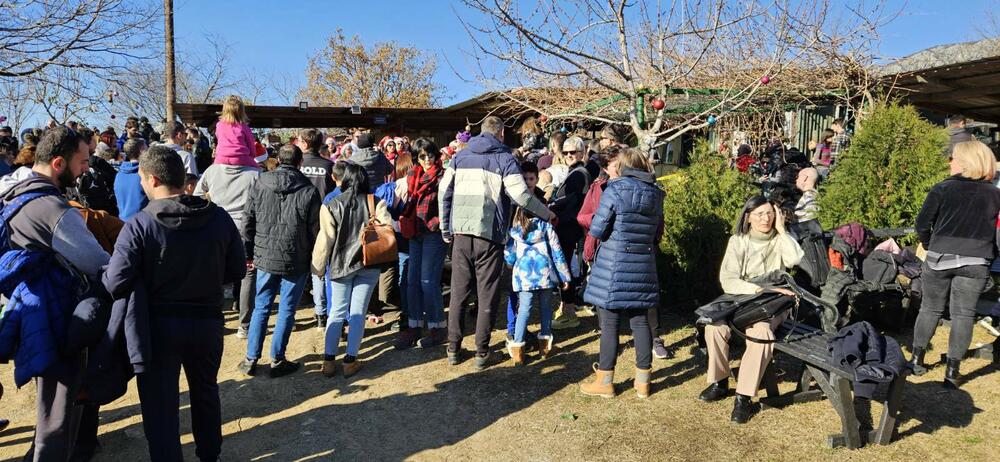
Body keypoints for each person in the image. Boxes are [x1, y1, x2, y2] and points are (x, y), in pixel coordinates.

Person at [100, 145, 243, 462]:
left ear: (151, 179)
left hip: (157, 327)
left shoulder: (139, 225)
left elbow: (115, 281)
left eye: (140, 179)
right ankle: (210, 455)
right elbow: (236, 269)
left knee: (159, 404)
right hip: (207, 322)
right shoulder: (218, 218)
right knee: (205, 392)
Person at [0, 126, 111, 460]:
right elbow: (97, 262)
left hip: (28, 312)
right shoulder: (52, 209)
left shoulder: (13, 192)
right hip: (57, 317)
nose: (86, 168)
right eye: (82, 160)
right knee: (57, 415)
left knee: (49, 408)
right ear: (59, 163)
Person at [439, 116, 555, 370]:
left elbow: (444, 191)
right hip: (489, 235)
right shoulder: (505, 158)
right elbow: (521, 195)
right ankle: (482, 351)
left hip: (460, 234)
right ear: (501, 133)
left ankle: (453, 348)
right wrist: (547, 213)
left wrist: (446, 227)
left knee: (459, 292)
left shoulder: (460, 156)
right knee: (487, 294)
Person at [699, 195, 803, 423]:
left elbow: (795, 259)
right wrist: (758, 289)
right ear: (748, 217)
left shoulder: (780, 239)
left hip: (773, 304)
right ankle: (719, 381)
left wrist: (782, 230)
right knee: (714, 328)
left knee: (761, 334)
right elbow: (728, 280)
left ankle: (743, 397)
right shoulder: (738, 241)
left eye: (769, 213)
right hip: (741, 299)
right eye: (760, 214)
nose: (766, 218)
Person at [910, 140, 1000, 388]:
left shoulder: (942, 189)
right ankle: (952, 372)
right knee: (963, 315)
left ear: (964, 161)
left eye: (953, 157)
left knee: (930, 309)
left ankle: (916, 361)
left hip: (940, 257)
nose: (950, 161)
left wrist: (930, 245)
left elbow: (921, 224)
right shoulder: (995, 194)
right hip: (977, 259)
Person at [578, 148, 664, 399]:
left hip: (613, 264)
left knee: (610, 324)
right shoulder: (657, 194)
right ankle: (643, 382)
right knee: (640, 322)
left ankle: (605, 380)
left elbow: (598, 227)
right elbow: (658, 230)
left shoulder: (614, 189)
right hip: (643, 263)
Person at [239, 144, 321, 378]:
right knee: (286, 309)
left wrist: (248, 252)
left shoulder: (260, 182)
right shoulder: (308, 190)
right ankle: (277, 359)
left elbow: (247, 221)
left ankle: (250, 358)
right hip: (295, 257)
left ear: (277, 159)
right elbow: (315, 229)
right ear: (299, 163)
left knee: (262, 307)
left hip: (265, 255)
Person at [311, 163, 391, 377]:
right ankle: (350, 360)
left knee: (336, 312)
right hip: (368, 263)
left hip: (340, 265)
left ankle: (328, 360)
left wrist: (317, 267)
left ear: (344, 180)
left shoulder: (331, 205)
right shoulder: (376, 202)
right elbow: (388, 229)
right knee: (358, 312)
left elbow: (324, 241)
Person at [195, 141, 262, 338]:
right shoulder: (255, 173)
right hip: (246, 228)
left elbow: (198, 196)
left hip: (216, 227)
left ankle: (214, 319)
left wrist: (212, 207)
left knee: (215, 274)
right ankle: (245, 325)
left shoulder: (211, 170)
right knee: (248, 274)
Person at [504, 177, 571, 366]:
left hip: (524, 276)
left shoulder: (515, 230)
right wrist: (564, 276)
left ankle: (518, 348)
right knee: (545, 308)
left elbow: (509, 254)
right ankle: (545, 346)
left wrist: (510, 265)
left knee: (524, 309)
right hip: (544, 274)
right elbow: (557, 252)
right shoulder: (546, 227)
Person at [394, 139, 448, 349]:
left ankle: (437, 328)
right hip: (415, 231)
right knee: (411, 280)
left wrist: (437, 223)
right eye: (422, 156)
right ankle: (414, 325)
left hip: (433, 232)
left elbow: (448, 204)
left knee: (428, 281)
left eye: (430, 155)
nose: (427, 160)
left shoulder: (443, 176)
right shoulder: (412, 175)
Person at [550, 135, 593, 330]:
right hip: (570, 226)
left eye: (572, 152)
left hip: (570, 227)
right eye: (565, 152)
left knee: (564, 268)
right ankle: (567, 306)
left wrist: (551, 204)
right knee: (566, 268)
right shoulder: (575, 171)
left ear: (582, 153)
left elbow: (572, 200)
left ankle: (568, 310)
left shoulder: (578, 173)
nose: (568, 155)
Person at [294, 128, 334, 330]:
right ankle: (321, 314)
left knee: (297, 267)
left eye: (299, 141)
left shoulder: (297, 166)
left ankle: (297, 308)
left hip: (298, 222)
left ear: (305, 143)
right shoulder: (329, 166)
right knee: (319, 268)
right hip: (322, 222)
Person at [72, 127, 119, 216]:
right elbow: (116, 178)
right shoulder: (97, 162)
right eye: (93, 140)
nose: (96, 143)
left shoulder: (71, 164)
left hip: (82, 214)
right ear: (87, 142)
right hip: (103, 214)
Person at [212, 95, 259, 168]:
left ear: (224, 110)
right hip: (240, 158)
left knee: (213, 170)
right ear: (241, 112)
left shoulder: (219, 125)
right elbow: (251, 146)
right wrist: (252, 157)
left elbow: (219, 141)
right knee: (258, 171)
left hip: (221, 158)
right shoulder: (244, 127)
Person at [115, 138, 149, 220]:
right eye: (147, 149)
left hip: (124, 223)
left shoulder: (119, 174)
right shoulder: (145, 174)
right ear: (142, 150)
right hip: (142, 223)